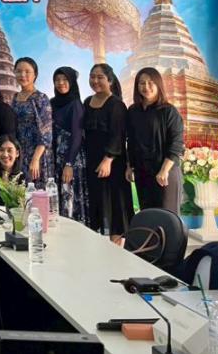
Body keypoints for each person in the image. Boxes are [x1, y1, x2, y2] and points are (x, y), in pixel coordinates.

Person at [83, 63, 133, 244]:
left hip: (112, 164)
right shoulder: (87, 102)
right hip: (91, 162)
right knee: (97, 204)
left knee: (114, 206)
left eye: (100, 77)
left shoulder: (117, 104)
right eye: (92, 77)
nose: (95, 81)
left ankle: (115, 249)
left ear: (110, 80)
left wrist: (107, 160)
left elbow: (117, 135)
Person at [126, 67, 185, 214]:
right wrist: (129, 166)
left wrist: (164, 170)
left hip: (165, 172)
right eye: (142, 83)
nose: (146, 87)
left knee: (167, 217)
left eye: (150, 83)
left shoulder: (169, 111)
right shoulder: (133, 111)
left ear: (158, 84)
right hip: (142, 173)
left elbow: (176, 144)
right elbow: (131, 141)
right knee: (148, 216)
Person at [50, 67, 89, 225]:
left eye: (65, 79)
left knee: (70, 197)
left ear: (72, 82)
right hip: (56, 158)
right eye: (57, 80)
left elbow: (77, 136)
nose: (61, 83)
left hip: (71, 159)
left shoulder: (75, 104)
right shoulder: (52, 103)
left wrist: (69, 164)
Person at [10, 57, 53, 186]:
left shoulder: (41, 98)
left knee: (37, 193)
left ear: (35, 75)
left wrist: (35, 159)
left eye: (27, 71)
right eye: (18, 71)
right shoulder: (14, 98)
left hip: (37, 155)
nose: (22, 75)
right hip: (19, 154)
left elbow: (46, 133)